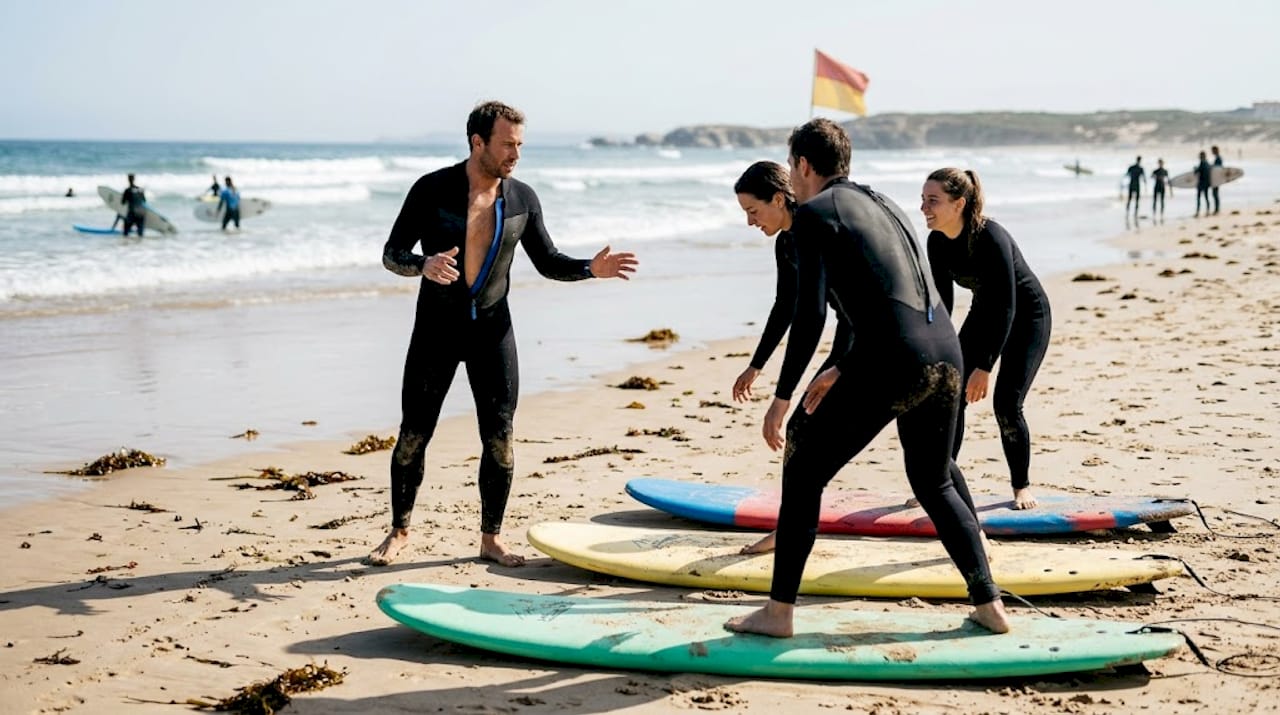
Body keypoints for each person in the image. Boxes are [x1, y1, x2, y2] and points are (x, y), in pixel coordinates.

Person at [723, 119, 1008, 638]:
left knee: (804, 466)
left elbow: (809, 317)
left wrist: (782, 399)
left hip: (895, 358)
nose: (792, 173)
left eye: (792, 165)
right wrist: (843, 367)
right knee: (934, 478)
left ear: (803, 166)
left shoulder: (812, 215)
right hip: (945, 351)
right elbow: (887, 298)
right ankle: (989, 604)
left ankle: (779, 611)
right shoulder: (884, 203)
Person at [369, 101, 639, 568]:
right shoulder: (431, 190)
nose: (516, 153)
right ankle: (399, 531)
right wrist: (422, 265)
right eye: (507, 144)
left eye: (519, 144)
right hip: (436, 330)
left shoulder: (521, 199)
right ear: (478, 142)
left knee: (500, 438)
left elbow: (548, 261)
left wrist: (590, 270)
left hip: (493, 331)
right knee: (414, 434)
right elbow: (392, 253)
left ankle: (491, 538)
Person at [730, 160, 852, 556]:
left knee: (804, 428)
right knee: (807, 432)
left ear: (779, 199)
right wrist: (757, 364)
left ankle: (793, 528)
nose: (750, 222)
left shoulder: (814, 230)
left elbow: (812, 318)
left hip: (867, 342)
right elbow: (786, 305)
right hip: (857, 340)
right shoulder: (787, 241)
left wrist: (782, 398)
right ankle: (793, 525)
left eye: (753, 211)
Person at [922, 169, 1052, 511]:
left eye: (932, 200)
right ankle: (942, 482)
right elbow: (943, 303)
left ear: (959, 203)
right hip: (985, 313)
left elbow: (1008, 306)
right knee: (953, 394)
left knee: (1007, 405)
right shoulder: (936, 241)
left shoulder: (990, 236)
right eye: (923, 200)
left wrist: (984, 366)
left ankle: (1021, 486)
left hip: (1027, 316)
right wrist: (936, 346)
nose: (924, 208)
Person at [1194, 151, 1213, 218]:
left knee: (1199, 198)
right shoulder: (1208, 163)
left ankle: (1198, 212)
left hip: (1201, 183)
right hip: (1207, 183)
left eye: (1200, 156)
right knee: (1206, 197)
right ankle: (1208, 211)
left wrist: (1195, 169)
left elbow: (1197, 171)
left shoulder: (1202, 163)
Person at [1211, 145, 1223, 215]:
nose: (1212, 152)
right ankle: (1216, 209)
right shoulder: (1218, 158)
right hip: (1216, 179)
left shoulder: (1218, 158)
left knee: (1215, 194)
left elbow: (1218, 169)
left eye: (1213, 150)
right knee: (1215, 194)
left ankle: (1217, 209)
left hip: (1216, 180)